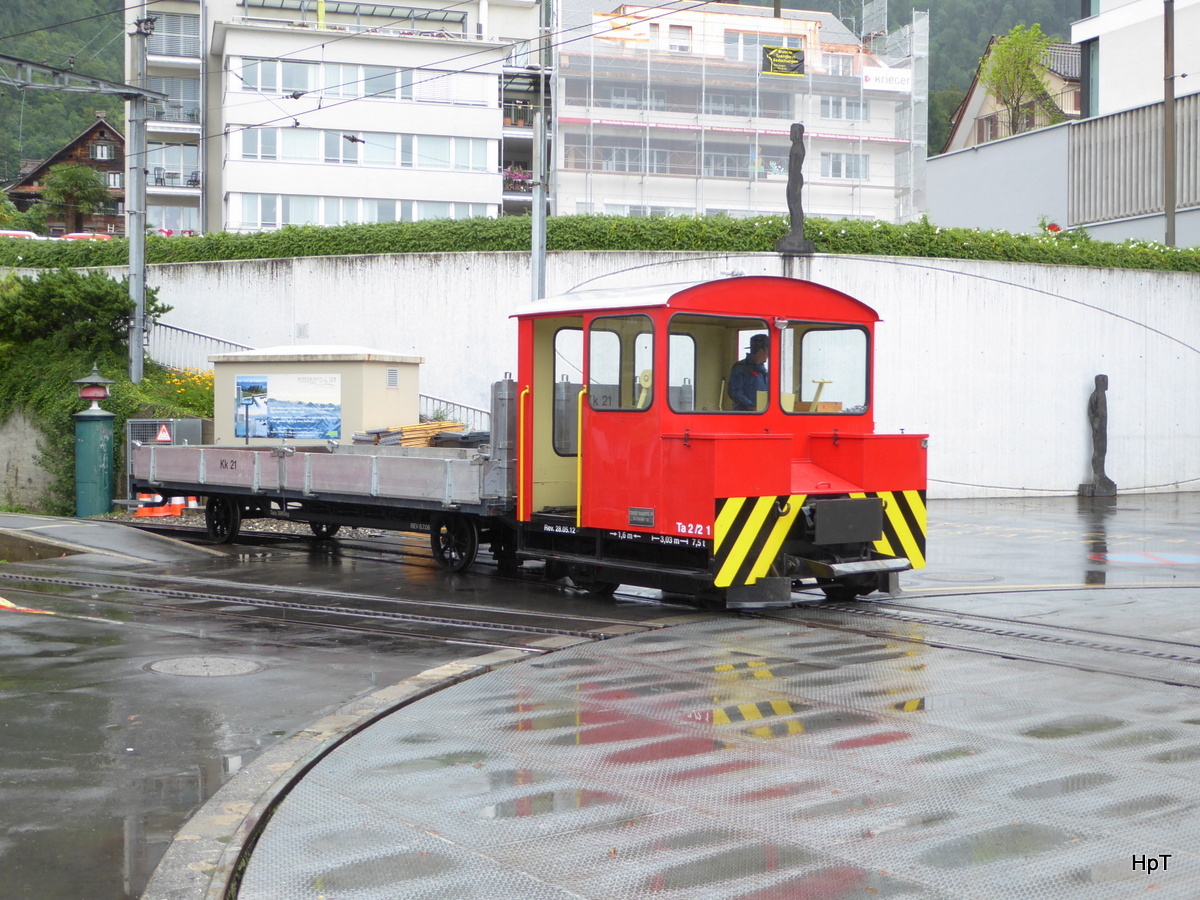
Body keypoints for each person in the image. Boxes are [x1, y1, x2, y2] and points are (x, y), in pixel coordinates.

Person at [729, 334, 769, 411]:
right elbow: (735, 392)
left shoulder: (764, 372)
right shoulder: (740, 368)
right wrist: (751, 407)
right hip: (745, 417)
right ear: (761, 351)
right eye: (768, 351)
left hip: (763, 415)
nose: (769, 355)